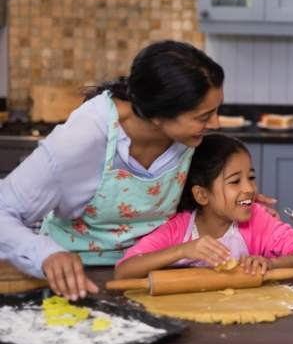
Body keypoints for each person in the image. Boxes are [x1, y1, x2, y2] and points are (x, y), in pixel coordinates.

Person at [0, 41, 229, 300]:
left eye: (216, 110)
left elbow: (197, 196)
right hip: (81, 281)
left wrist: (237, 197)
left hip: (156, 276)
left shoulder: (187, 137)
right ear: (157, 115)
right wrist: (45, 254)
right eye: (203, 117)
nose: (215, 123)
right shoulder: (83, 138)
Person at [115, 134, 293, 278]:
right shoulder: (178, 229)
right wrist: (181, 251)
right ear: (202, 195)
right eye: (235, 181)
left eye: (251, 177)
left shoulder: (258, 221)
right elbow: (124, 271)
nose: (249, 188)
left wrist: (271, 264)